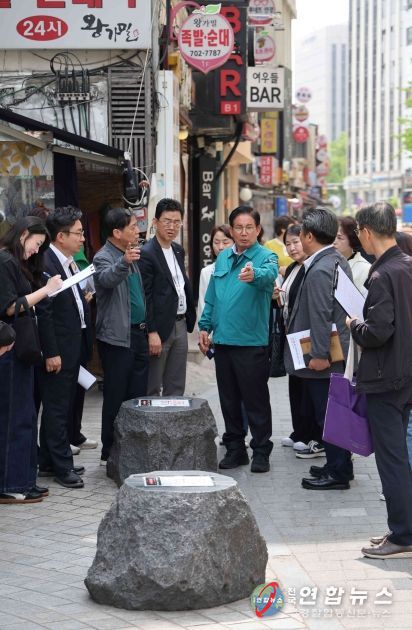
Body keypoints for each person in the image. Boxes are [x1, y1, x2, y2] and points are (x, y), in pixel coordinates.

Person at [348, 203, 412, 559]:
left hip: (386, 379)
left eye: (358, 232)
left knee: (392, 459)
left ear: (367, 232)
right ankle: (403, 528)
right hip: (406, 375)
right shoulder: (407, 265)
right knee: (399, 456)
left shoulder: (382, 274)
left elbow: (377, 332)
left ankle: (403, 535)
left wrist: (353, 325)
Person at [199, 206, 278, 473]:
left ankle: (261, 451)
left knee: (256, 401)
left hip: (251, 343)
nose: (244, 233)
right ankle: (235, 449)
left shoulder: (266, 257)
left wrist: (255, 275)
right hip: (223, 342)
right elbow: (212, 297)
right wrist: (204, 326)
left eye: (249, 228)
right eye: (239, 228)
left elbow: (269, 275)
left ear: (258, 230)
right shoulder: (223, 258)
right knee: (229, 400)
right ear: (231, 230)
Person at [283, 207, 353, 488]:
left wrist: (319, 354)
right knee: (334, 413)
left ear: (309, 236)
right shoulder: (335, 259)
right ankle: (339, 465)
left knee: (327, 415)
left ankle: (338, 473)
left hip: (326, 356)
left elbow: (321, 315)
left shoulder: (321, 268)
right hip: (337, 350)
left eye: (301, 233)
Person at [0, 217, 62, 504]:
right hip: (10, 350)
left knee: (24, 416)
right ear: (23, 234)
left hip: (20, 350)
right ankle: (11, 484)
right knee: (15, 418)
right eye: (36, 244)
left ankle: (23, 480)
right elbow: (10, 307)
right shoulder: (5, 261)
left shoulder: (15, 262)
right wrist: (46, 289)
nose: (36, 251)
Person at [36, 207, 91, 489]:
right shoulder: (47, 262)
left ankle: (48, 460)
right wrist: (52, 352)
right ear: (60, 236)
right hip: (58, 348)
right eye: (78, 233)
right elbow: (44, 312)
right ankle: (62, 466)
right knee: (57, 409)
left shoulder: (67, 261)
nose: (82, 238)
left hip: (72, 344)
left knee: (61, 405)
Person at [93, 207, 149, 464]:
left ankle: (132, 448)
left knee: (137, 396)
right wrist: (124, 262)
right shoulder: (103, 256)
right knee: (115, 396)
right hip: (117, 337)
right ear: (117, 232)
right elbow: (105, 279)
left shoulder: (132, 252)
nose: (137, 231)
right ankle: (109, 450)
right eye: (132, 227)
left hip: (139, 333)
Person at [139, 198, 196, 396]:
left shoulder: (178, 250)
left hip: (180, 322)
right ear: (155, 222)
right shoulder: (147, 253)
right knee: (153, 384)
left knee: (176, 382)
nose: (172, 227)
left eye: (177, 222)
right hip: (159, 326)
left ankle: (175, 416)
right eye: (167, 221)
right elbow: (146, 296)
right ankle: (152, 417)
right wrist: (151, 331)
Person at [277, 224, 322, 452]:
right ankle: (299, 431)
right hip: (292, 337)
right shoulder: (293, 268)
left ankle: (311, 435)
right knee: (296, 385)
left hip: (306, 337)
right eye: (288, 244)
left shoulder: (311, 268)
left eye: (296, 242)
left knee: (308, 388)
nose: (292, 247)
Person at [198, 224, 234, 319]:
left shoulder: (243, 269)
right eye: (216, 242)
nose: (221, 247)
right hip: (214, 325)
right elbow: (202, 304)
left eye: (225, 242)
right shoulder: (206, 272)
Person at [334, 217, 370, 295]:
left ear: (351, 239)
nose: (334, 241)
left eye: (339, 238)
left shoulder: (365, 268)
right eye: (333, 236)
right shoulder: (328, 261)